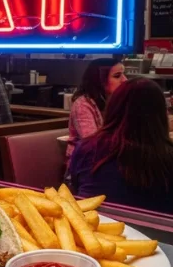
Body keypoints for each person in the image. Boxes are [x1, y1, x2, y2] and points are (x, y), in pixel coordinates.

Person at [69, 78, 173, 213]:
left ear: (112, 109)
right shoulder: (167, 156)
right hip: (157, 228)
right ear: (161, 114)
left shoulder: (86, 148)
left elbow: (75, 189)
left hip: (94, 223)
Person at [66, 58, 126, 164]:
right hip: (84, 164)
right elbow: (92, 143)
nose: (125, 80)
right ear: (100, 80)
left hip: (111, 161)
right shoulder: (83, 104)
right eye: (117, 76)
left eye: (124, 74)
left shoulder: (117, 101)